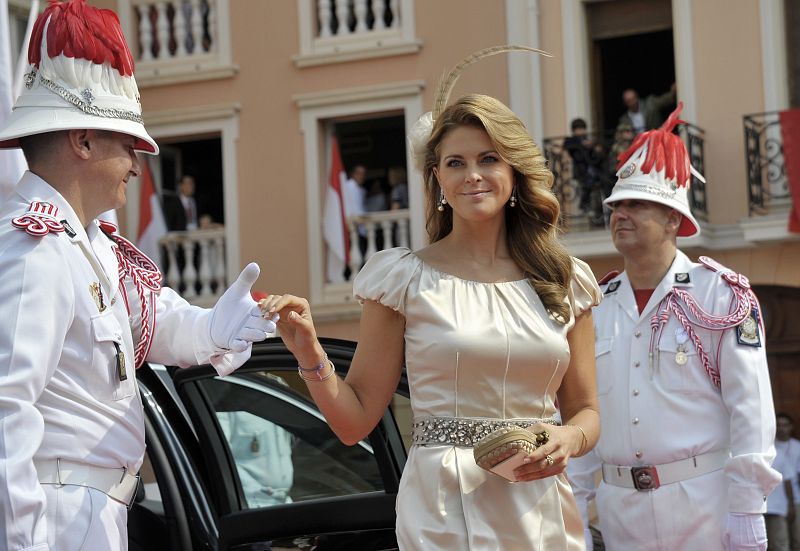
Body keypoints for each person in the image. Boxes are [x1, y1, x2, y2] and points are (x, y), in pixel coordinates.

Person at [259, 45, 601, 549]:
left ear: (514, 172)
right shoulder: (402, 279)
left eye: (489, 159)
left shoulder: (565, 278)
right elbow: (354, 422)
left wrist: (568, 439)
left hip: (540, 511)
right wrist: (308, 351)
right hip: (443, 511)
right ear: (438, 178)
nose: (473, 175)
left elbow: (587, 410)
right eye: (455, 163)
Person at [0, 1, 275, 549]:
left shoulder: (90, 245)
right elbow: (6, 410)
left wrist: (216, 329)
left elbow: (148, 325)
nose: (135, 164)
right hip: (56, 521)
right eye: (128, 146)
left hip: (95, 514)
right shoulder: (35, 250)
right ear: (82, 141)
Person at [567, 103, 781, 551]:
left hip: (705, 505)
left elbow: (751, 408)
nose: (620, 214)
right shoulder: (594, 306)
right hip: (619, 510)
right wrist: (572, 512)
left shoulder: (721, 295)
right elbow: (581, 414)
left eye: (637, 204)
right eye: (616, 205)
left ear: (673, 219)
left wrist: (747, 507)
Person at [766, 413, 800, 550]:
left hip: (796, 498)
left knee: (797, 538)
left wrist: (791, 502)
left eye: (785, 425)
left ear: (791, 427)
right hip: (775, 500)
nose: (782, 428)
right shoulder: (768, 447)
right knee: (777, 540)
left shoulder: (798, 446)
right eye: (778, 425)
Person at [563, 118, 605, 227]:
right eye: (578, 129)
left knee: (603, 181)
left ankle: (601, 211)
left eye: (582, 129)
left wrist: (594, 147)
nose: (580, 132)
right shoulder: (571, 140)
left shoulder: (589, 139)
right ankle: (585, 204)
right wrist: (583, 145)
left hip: (593, 169)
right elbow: (568, 147)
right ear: (573, 130)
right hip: (581, 171)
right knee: (588, 181)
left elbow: (595, 156)